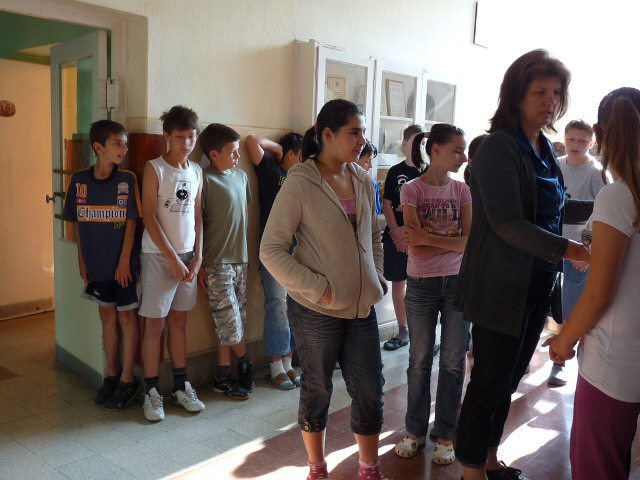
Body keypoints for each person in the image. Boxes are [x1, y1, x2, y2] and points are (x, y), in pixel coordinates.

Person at [454, 50, 592, 480]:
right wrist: (574, 251)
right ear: (516, 95)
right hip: (500, 287)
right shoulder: (499, 147)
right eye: (540, 92)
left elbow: (558, 206)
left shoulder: (543, 147)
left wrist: (607, 207)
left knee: (509, 379)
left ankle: (489, 459)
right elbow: (508, 223)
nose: (550, 101)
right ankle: (471, 470)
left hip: (535, 284)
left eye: (556, 93)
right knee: (489, 382)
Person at [260, 99, 390, 480]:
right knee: (317, 388)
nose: (362, 140)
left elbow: (375, 234)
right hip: (316, 310)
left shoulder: (363, 179)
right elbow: (271, 250)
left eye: (363, 132)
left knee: (370, 389)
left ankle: (369, 468)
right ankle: (317, 469)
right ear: (328, 134)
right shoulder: (300, 183)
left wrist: (377, 276)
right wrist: (320, 289)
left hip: (362, 307)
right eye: (354, 132)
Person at [543, 87, 640, 480]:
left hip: (614, 359)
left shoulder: (619, 196)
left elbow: (600, 292)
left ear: (598, 135)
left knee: (596, 465)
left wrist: (563, 341)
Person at [393, 124, 471, 465]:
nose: (463, 157)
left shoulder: (462, 190)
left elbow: (470, 241)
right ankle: (414, 432)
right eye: (457, 150)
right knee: (419, 361)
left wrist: (428, 238)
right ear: (435, 149)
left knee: (453, 362)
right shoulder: (411, 189)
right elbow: (417, 249)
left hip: (458, 282)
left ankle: (445, 435)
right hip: (421, 283)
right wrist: (448, 243)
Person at [62, 120, 141, 411]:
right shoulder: (79, 180)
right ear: (98, 147)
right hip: (96, 265)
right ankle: (111, 375)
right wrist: (82, 260)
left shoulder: (127, 180)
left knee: (127, 319)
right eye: (117, 143)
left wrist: (124, 262)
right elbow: (78, 223)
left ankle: (128, 379)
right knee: (107, 318)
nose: (124, 149)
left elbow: (131, 222)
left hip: (123, 267)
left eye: (125, 143)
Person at [139, 105, 205, 421]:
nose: (187, 143)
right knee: (155, 324)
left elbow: (199, 216)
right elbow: (149, 218)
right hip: (158, 256)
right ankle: (151, 392)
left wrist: (198, 257)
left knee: (179, 322)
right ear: (167, 136)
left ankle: (181, 386)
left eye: (192, 136)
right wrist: (172, 259)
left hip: (189, 258)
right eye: (180, 137)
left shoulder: (197, 171)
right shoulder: (154, 169)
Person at [197, 123, 255, 400]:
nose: (237, 157)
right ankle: (246, 364)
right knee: (229, 321)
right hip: (215, 262)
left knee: (233, 319)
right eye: (232, 152)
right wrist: (199, 263)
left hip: (240, 259)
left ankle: (222, 375)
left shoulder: (241, 177)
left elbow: (243, 215)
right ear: (213, 154)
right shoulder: (204, 179)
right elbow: (196, 224)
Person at [546, 120, 605, 387]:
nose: (576, 145)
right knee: (544, 302)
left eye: (582, 141)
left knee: (571, 306)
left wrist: (589, 252)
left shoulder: (597, 173)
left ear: (591, 143)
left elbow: (602, 216)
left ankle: (560, 362)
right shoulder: (556, 165)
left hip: (578, 250)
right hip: (550, 243)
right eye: (572, 139)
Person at [246, 132, 303, 390]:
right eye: (300, 155)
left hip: (299, 252)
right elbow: (251, 141)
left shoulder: (303, 179)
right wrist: (279, 149)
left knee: (294, 307)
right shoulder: (272, 173)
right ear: (290, 154)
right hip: (274, 252)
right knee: (276, 305)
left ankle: (288, 361)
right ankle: (275, 363)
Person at [382, 124, 424, 351]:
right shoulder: (394, 171)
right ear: (405, 144)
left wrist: (412, 236)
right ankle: (403, 330)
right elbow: (387, 203)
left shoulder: (428, 172)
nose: (419, 147)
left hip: (420, 240)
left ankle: (422, 333)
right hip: (396, 238)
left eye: (423, 143)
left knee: (421, 286)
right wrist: (397, 233)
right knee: (398, 283)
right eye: (415, 142)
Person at [357, 139, 383, 214]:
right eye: (367, 161)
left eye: (372, 161)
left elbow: (376, 211)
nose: (371, 166)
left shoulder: (372, 184)